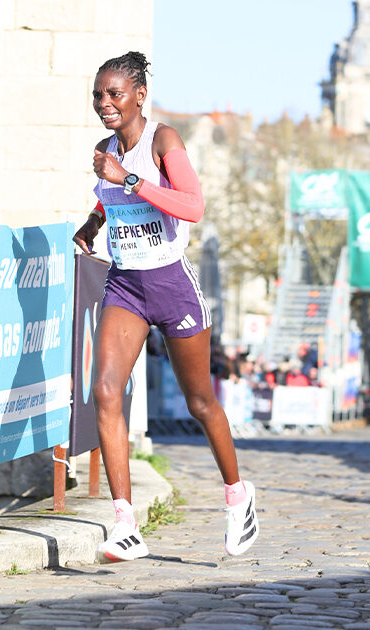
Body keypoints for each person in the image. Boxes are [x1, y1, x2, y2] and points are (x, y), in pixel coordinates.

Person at [73, 52, 258, 562]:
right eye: (97, 95)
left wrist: (129, 179)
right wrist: (93, 224)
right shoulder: (103, 149)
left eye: (113, 94)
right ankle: (124, 523)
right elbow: (107, 199)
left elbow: (192, 206)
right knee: (105, 391)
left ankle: (238, 496)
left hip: (172, 284)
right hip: (126, 284)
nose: (104, 104)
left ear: (138, 95)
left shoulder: (164, 140)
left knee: (201, 403)